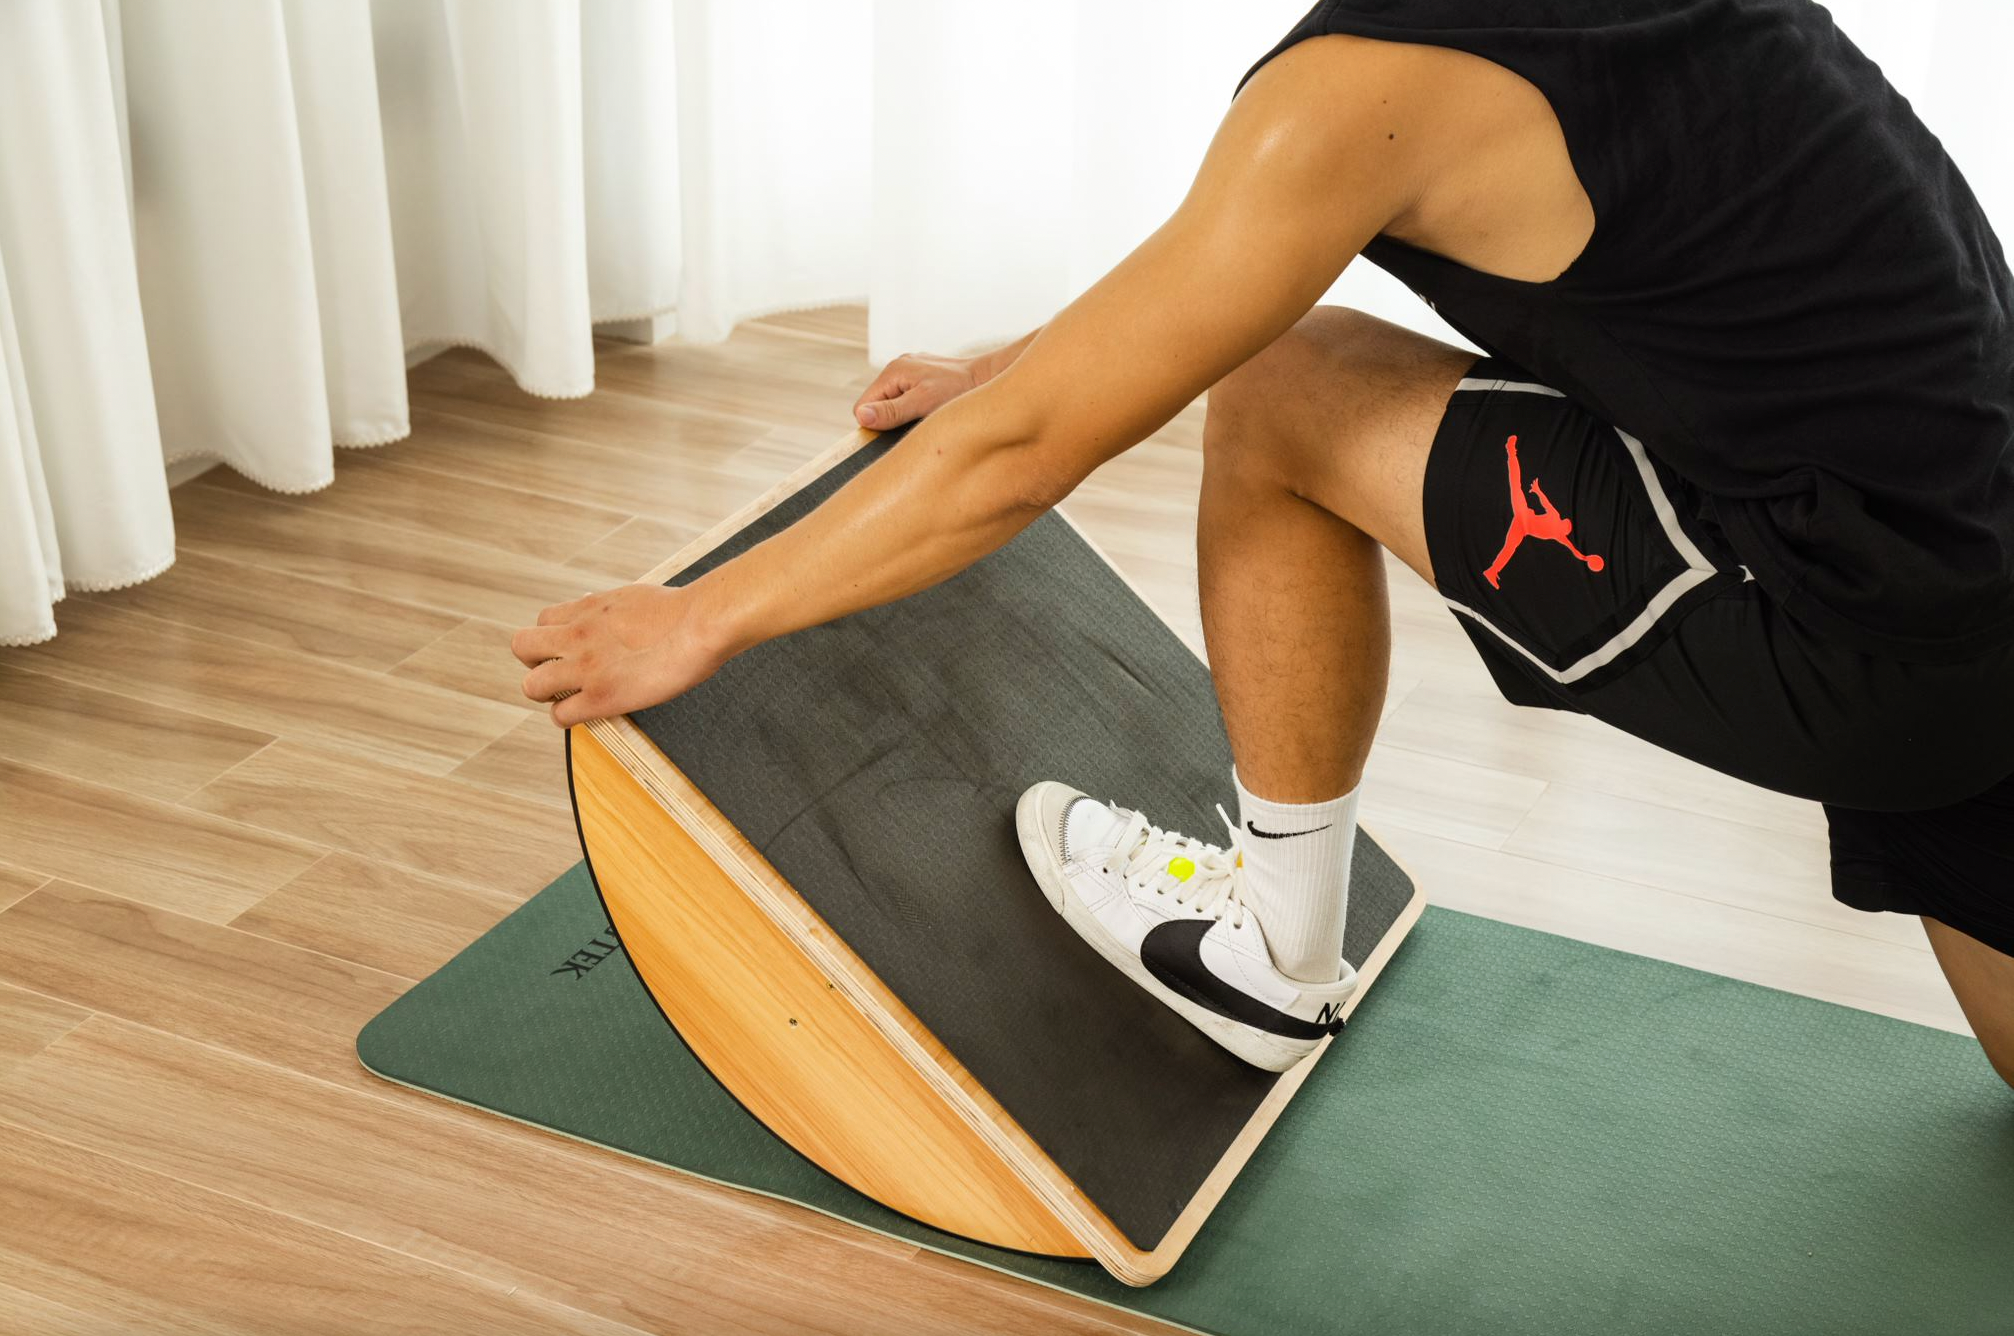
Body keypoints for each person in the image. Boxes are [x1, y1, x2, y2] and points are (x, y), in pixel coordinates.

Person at [512, 2, 2014, 1084]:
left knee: (1285, 386)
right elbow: (1233, 252)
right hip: (1963, 546)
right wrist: (1016, 361)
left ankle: (1270, 959)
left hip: (1854, 626)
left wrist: (699, 618)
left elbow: (1036, 452)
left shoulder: (1369, 87)